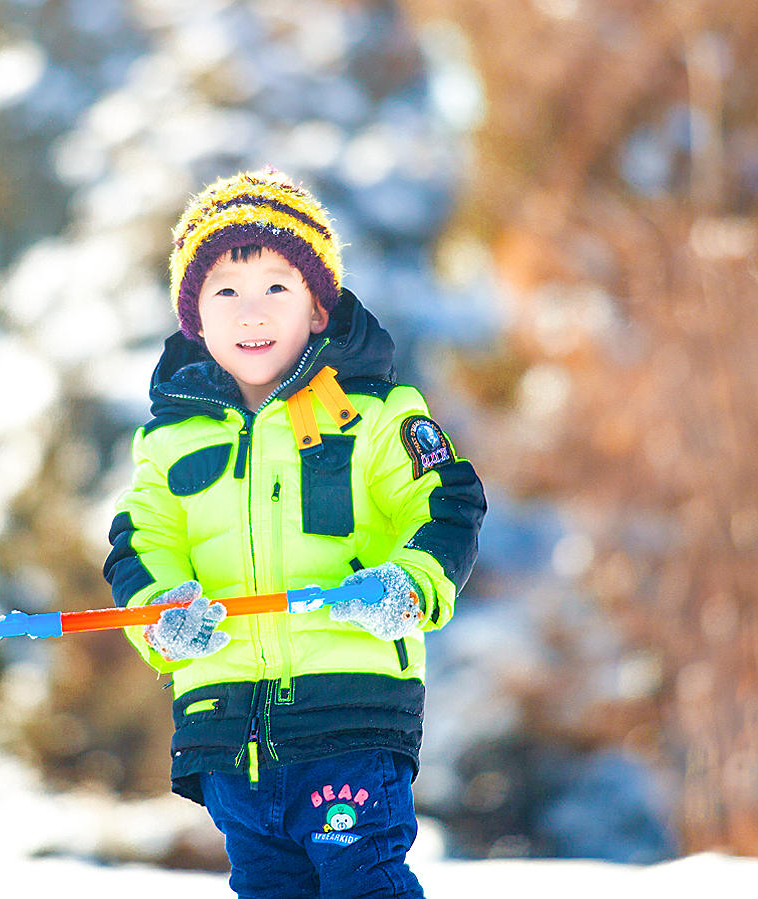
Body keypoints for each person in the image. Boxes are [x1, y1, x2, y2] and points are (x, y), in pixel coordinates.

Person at [103, 168, 485, 898]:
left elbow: (447, 503)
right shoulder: (169, 442)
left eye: (276, 288)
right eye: (225, 292)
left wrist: (409, 583)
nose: (252, 313)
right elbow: (137, 542)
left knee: (362, 880)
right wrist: (158, 614)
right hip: (226, 733)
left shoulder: (373, 415)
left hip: (349, 714)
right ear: (196, 318)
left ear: (316, 307)